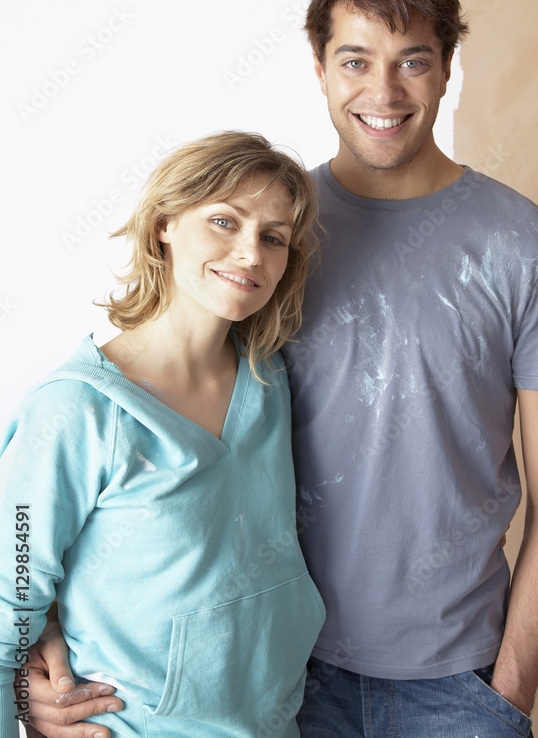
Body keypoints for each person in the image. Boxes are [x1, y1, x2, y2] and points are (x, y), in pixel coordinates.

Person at [23, 0, 538, 738]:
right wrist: (34, 656)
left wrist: (509, 690)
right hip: (280, 684)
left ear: (448, 67)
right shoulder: (268, 239)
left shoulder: (526, 250)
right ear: (319, 67)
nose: (383, 91)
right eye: (354, 60)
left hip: (459, 684)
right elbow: (71, 488)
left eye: (413, 61)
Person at [1, 131, 325, 738]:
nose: (251, 253)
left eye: (273, 237)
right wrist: (25, 691)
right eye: (225, 221)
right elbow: (7, 600)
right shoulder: (75, 411)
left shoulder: (271, 378)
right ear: (163, 227)